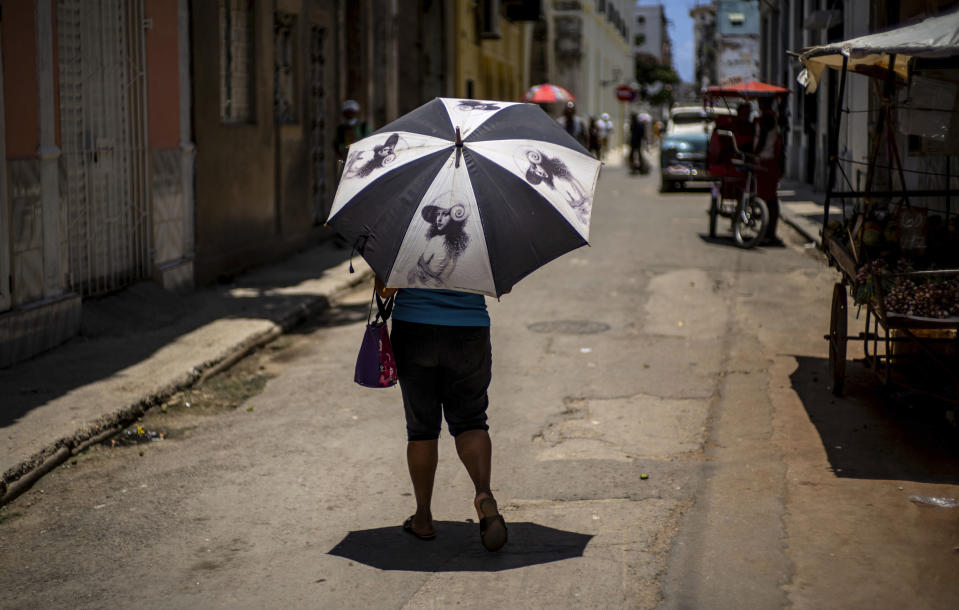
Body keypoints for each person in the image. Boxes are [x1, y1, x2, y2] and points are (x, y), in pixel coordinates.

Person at [374, 276, 508, 552]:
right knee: (471, 420)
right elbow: (500, 285)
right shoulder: (479, 232)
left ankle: (423, 518)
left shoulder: (403, 233)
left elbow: (385, 289)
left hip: (414, 330)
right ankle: (484, 494)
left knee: (421, 428)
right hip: (469, 329)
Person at [407, 202, 470, 287]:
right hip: (429, 288)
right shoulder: (447, 244)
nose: (439, 219)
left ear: (454, 217)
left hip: (427, 290)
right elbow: (415, 273)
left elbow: (414, 273)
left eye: (444, 214)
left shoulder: (441, 242)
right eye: (437, 214)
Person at [754, 97, 783, 243]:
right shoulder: (768, 116)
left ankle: (770, 232)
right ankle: (768, 231)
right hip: (767, 160)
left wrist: (754, 153)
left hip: (767, 161)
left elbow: (762, 140)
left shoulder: (767, 117)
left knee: (769, 197)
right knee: (768, 197)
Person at [333, 99, 371, 163]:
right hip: (347, 160)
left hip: (362, 159)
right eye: (347, 113)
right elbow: (336, 144)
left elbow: (370, 141)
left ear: (356, 113)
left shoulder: (363, 127)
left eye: (351, 112)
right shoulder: (341, 128)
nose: (349, 115)